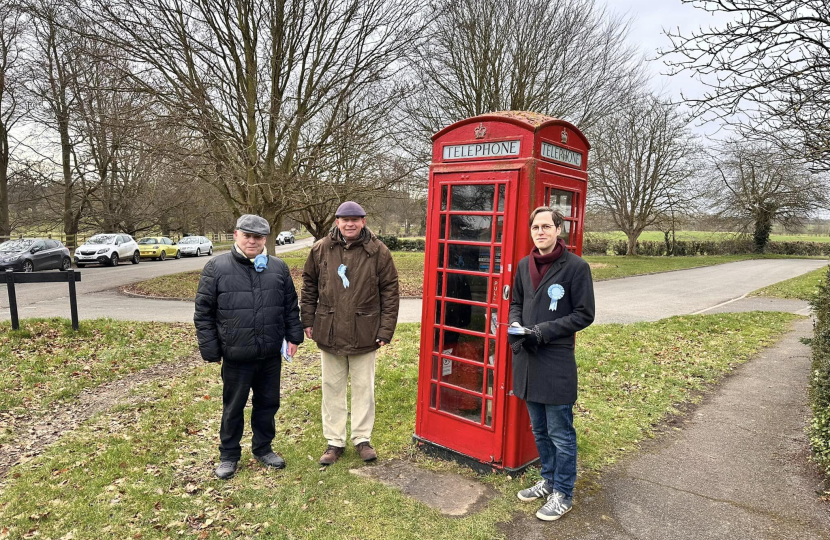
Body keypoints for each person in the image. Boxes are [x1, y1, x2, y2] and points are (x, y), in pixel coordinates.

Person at [194, 214, 304, 479]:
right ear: (236, 235)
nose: (252, 241)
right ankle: (229, 455)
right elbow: (204, 313)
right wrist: (211, 350)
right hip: (236, 356)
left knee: (268, 404)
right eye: (247, 236)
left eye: (258, 237)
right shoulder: (216, 267)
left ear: (265, 238)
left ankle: (263, 448)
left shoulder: (278, 268)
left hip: (269, 354)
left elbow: (290, 306)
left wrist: (294, 337)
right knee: (233, 407)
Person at [509, 207, 595, 521]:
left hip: (555, 359)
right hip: (527, 360)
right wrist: (515, 324)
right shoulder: (524, 265)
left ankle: (563, 492)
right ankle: (548, 479)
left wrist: (543, 330)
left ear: (559, 230)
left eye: (546, 226)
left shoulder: (576, 267)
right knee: (540, 430)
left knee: (561, 433)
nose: (540, 232)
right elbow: (516, 302)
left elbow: (584, 314)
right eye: (535, 227)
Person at [301, 201, 400, 465]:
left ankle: (362, 439)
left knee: (363, 389)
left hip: (365, 330)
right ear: (337, 222)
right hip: (329, 329)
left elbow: (390, 292)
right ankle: (334, 441)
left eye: (355, 219)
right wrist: (307, 320)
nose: (350, 224)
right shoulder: (321, 249)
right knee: (331, 387)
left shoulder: (378, 251)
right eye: (345, 220)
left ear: (363, 222)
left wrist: (386, 330)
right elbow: (309, 286)